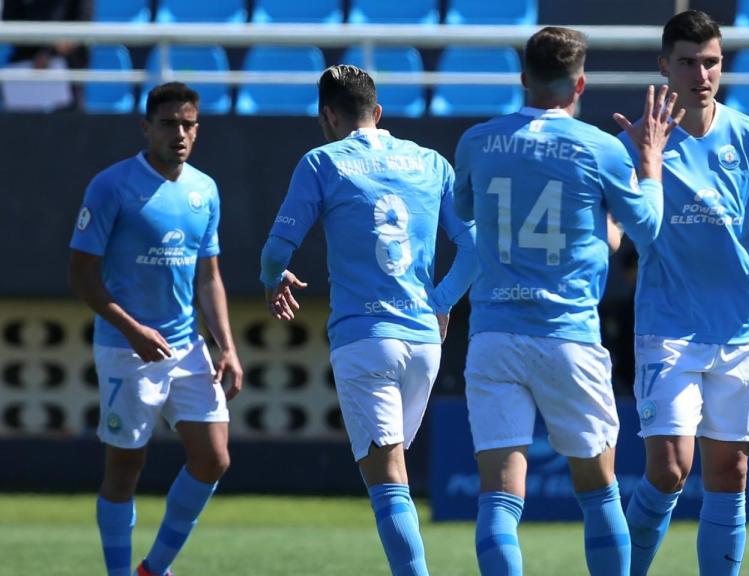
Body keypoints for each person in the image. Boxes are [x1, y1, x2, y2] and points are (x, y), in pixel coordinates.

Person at [454, 26, 680, 576]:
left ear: (524, 79)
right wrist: (650, 161)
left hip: (494, 333)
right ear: (580, 83)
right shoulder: (599, 147)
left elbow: (463, 214)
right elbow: (647, 230)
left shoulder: (477, 141)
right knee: (598, 494)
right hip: (567, 335)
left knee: (500, 499)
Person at [617, 11, 749, 576]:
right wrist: (637, 163)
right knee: (669, 469)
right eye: (687, 62)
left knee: (731, 474)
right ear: (664, 67)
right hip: (667, 325)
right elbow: (611, 222)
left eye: (710, 62)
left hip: (736, 327)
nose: (701, 73)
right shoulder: (640, 141)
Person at [259, 64, 478, 576]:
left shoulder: (321, 161)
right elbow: (474, 250)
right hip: (424, 341)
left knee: (388, 483)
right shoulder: (431, 161)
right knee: (393, 471)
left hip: (365, 339)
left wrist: (274, 278)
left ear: (328, 116)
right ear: (378, 113)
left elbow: (275, 250)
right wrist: (442, 301)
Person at [68, 82, 243, 576]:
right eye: (169, 124)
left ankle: (153, 569)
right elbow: (81, 276)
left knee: (214, 459)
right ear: (146, 127)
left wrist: (226, 346)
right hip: (127, 351)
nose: (180, 134)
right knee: (125, 469)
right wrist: (132, 330)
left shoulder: (204, 189)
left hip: (188, 349)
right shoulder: (111, 186)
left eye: (189, 124)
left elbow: (208, 275)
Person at [1, 0, 93, 111]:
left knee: (68, 122)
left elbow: (82, 25)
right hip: (24, 66)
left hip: (67, 71)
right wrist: (37, 56)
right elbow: (10, 22)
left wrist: (49, 53)